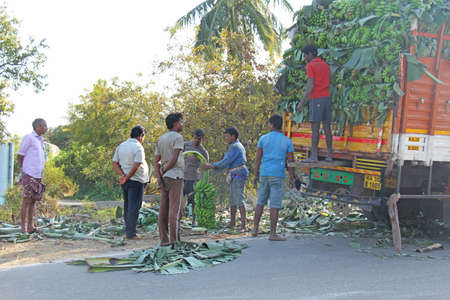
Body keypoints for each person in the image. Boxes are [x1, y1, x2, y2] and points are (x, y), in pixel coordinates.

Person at [252, 115, 295, 241]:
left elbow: (258, 158)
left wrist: (255, 175)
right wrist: (292, 178)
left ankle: (255, 229)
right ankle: (272, 233)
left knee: (260, 202)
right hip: (278, 175)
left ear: (271, 125)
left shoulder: (263, 139)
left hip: (264, 173)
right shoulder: (287, 141)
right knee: (274, 205)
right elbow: (291, 161)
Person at [204, 127, 248, 232]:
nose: (226, 138)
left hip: (238, 174)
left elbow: (225, 161)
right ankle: (232, 223)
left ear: (233, 136)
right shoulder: (235, 146)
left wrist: (211, 166)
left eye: (227, 136)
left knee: (239, 198)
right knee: (233, 199)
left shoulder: (235, 147)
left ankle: (243, 225)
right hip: (235, 174)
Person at [296, 44, 333, 162]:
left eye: (305, 55)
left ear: (311, 54)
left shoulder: (310, 66)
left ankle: (314, 156)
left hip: (316, 99)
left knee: (315, 128)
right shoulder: (326, 66)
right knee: (327, 127)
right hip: (327, 98)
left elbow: (310, 85)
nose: (305, 57)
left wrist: (301, 103)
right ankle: (329, 155)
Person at [112, 125, 149, 240]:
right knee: (134, 207)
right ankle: (131, 233)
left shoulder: (121, 146)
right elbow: (137, 164)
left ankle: (128, 229)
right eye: (143, 137)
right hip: (136, 180)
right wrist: (127, 177)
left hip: (126, 181)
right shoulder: (138, 147)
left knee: (127, 205)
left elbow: (114, 162)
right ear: (140, 136)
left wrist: (122, 176)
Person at [154, 113, 185, 246]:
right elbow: (174, 159)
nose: (182, 124)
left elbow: (156, 161)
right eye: (181, 122)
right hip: (175, 175)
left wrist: (159, 177)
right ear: (175, 123)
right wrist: (165, 169)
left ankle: (164, 239)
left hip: (165, 177)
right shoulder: (178, 137)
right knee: (175, 209)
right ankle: (174, 240)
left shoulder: (161, 139)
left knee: (163, 209)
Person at [17, 118, 48, 234]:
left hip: (37, 175)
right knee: (26, 200)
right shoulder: (29, 137)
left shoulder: (40, 140)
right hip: (29, 173)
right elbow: (20, 155)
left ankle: (30, 227)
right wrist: (24, 170)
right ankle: (23, 228)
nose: (46, 128)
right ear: (38, 126)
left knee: (33, 200)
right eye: (44, 126)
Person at [183, 129, 209, 225]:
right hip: (182, 177)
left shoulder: (203, 151)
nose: (197, 140)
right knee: (179, 200)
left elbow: (205, 168)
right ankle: (177, 220)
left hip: (194, 178)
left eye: (199, 139)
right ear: (192, 137)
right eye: (195, 138)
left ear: (202, 139)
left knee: (195, 201)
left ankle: (194, 221)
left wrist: (201, 182)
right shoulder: (185, 145)